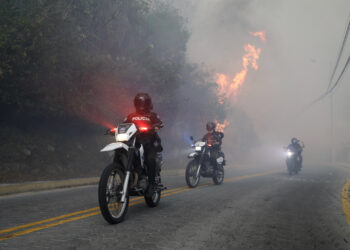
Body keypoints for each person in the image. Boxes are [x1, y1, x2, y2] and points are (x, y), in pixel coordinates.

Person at [123, 93, 163, 195]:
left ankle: (151, 184)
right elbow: (123, 125)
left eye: (144, 102)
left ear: (148, 103)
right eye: (139, 102)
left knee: (149, 158)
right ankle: (128, 179)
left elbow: (160, 122)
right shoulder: (131, 116)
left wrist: (156, 126)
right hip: (134, 141)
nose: (141, 104)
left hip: (149, 141)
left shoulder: (152, 115)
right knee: (125, 153)